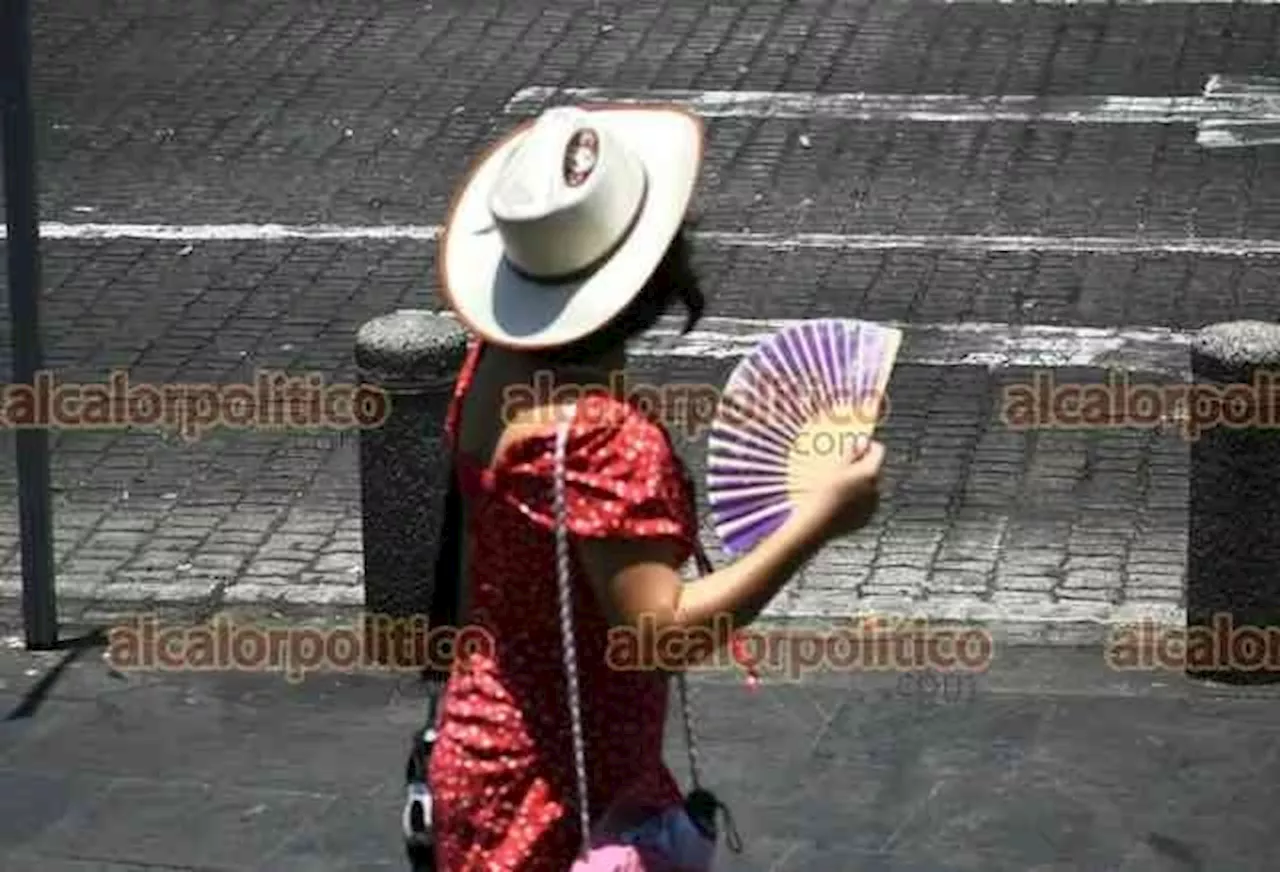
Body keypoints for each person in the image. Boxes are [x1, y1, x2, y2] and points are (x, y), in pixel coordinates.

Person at [427, 103, 887, 870]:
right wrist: (818, 519)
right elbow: (657, 635)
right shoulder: (604, 439)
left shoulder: (493, 367)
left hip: (485, 747)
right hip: (563, 796)